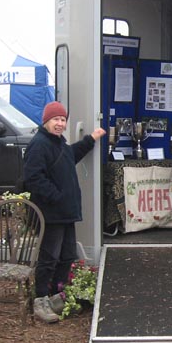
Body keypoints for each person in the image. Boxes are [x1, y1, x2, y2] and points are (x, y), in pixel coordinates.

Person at [23, 101, 106, 323]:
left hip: (65, 213)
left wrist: (91, 139)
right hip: (51, 213)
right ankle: (40, 300)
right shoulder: (39, 144)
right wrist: (56, 196)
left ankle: (57, 296)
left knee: (67, 256)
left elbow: (71, 155)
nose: (59, 124)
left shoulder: (58, 143)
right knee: (49, 257)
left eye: (62, 120)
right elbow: (33, 177)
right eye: (55, 120)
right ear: (46, 121)